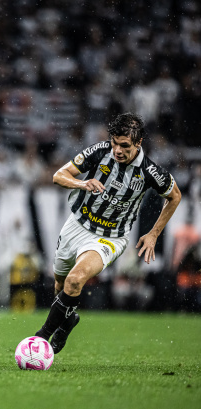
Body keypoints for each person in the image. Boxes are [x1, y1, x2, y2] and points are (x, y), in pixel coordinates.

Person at [35, 113, 181, 353]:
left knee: (75, 279)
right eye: (114, 142)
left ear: (139, 143)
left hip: (110, 237)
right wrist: (82, 183)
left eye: (124, 146)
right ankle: (68, 320)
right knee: (60, 285)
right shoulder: (99, 151)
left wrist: (154, 233)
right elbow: (58, 175)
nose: (117, 150)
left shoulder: (149, 170)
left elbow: (175, 196)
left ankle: (41, 339)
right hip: (77, 224)